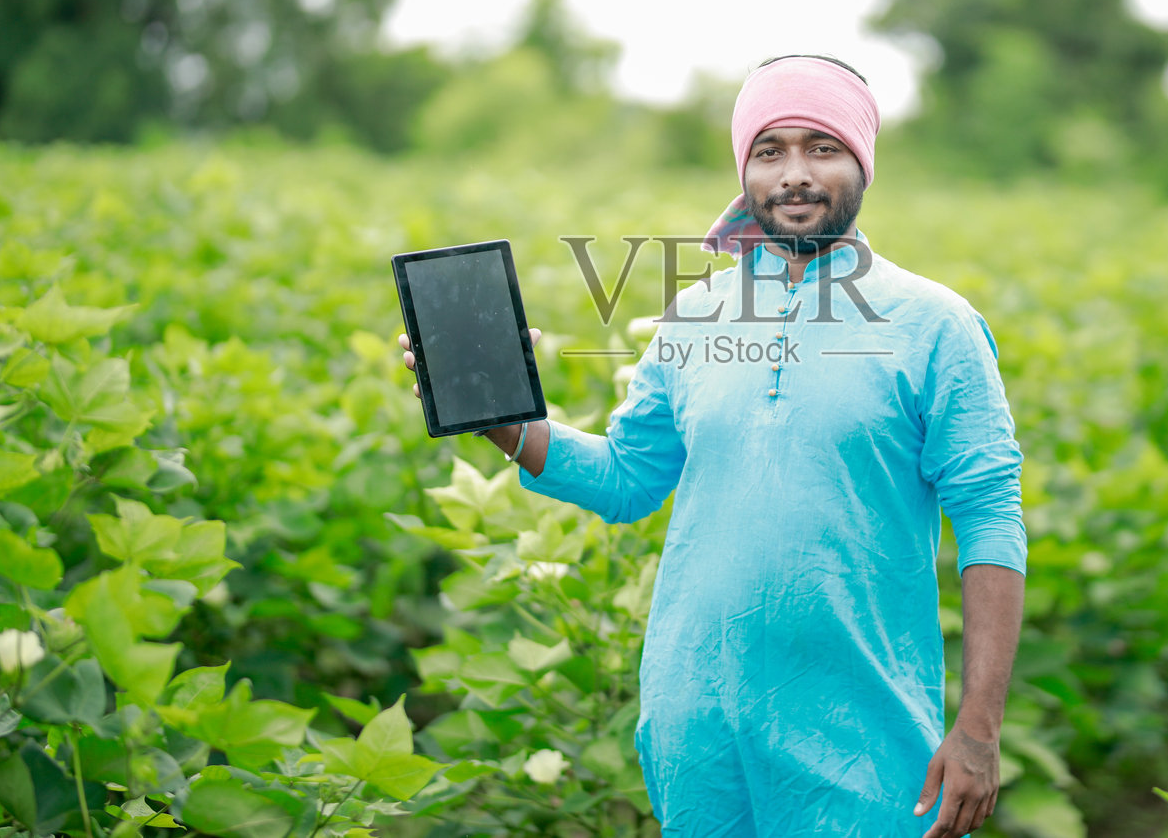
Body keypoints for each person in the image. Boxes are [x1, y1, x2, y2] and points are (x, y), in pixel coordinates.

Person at [400, 54, 1025, 838]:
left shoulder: (937, 325)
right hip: (695, 724)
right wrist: (499, 415)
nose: (795, 173)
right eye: (771, 150)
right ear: (745, 169)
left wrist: (978, 728)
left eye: (821, 147)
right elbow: (627, 478)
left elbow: (991, 520)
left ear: (861, 161)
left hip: (863, 731)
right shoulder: (693, 316)